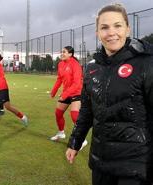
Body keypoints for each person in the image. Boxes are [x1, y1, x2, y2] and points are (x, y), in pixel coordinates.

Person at [66, 4, 153, 185]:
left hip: (136, 164)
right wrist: (75, 141)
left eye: (117, 26)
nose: (111, 32)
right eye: (104, 28)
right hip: (101, 161)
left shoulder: (146, 63)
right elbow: (87, 112)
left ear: (128, 28)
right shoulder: (91, 68)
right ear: (97, 32)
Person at [50, 46, 88, 149]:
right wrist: (54, 91)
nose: (62, 54)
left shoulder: (75, 65)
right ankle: (61, 133)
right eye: (61, 52)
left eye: (64, 52)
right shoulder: (61, 64)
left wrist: (65, 95)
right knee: (58, 113)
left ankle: (82, 140)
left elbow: (76, 83)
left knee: (74, 115)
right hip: (66, 92)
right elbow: (59, 79)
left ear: (70, 54)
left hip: (77, 92)